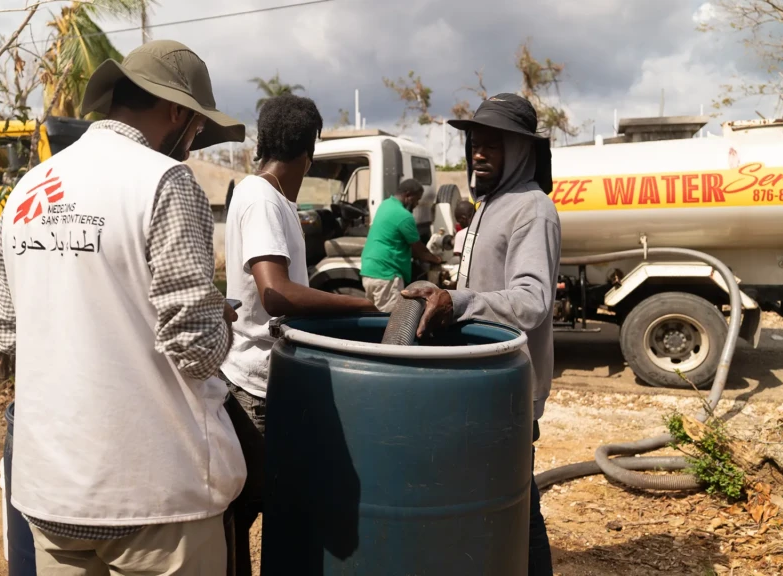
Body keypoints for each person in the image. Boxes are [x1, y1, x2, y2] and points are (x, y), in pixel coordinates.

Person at [0, 40, 247, 576]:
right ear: (177, 111)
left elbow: (11, 335)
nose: (194, 139)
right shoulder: (163, 181)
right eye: (197, 127)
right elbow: (196, 351)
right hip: (155, 494)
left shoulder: (26, 192)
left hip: (50, 492)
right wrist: (218, 319)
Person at [403, 93, 560, 576]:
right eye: (475, 142)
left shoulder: (532, 209)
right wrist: (446, 293)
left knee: (518, 506)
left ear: (523, 151)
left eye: (493, 144)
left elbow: (532, 300)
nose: (478, 153)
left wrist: (463, 303)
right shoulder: (490, 204)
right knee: (497, 499)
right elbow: (482, 287)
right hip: (483, 382)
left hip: (510, 388)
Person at [220, 94, 376, 575]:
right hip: (256, 387)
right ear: (309, 149)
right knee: (252, 509)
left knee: (257, 509)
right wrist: (365, 305)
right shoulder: (262, 199)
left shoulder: (270, 199)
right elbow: (277, 294)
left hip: (267, 380)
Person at [359, 179, 443, 312]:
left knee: (372, 315)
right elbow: (419, 250)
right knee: (389, 320)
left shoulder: (385, 205)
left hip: (369, 270)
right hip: (387, 275)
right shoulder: (404, 216)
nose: (416, 204)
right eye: (416, 199)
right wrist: (437, 259)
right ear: (408, 195)